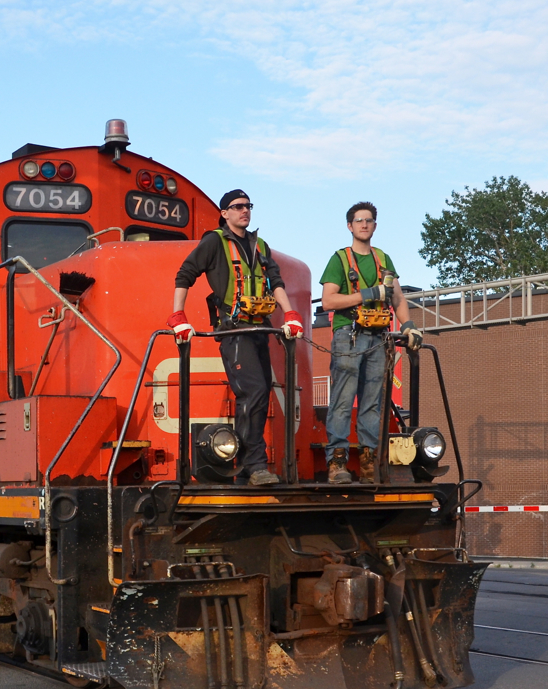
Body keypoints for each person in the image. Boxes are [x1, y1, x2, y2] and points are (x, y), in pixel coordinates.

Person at [169, 189, 305, 486]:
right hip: (234, 332)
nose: (245, 211)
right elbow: (185, 275)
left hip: (259, 331)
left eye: (248, 206)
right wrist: (178, 317)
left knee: (261, 392)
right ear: (224, 213)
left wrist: (291, 313)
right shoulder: (214, 242)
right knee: (253, 392)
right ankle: (251, 465)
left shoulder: (260, 246)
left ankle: (250, 464)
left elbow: (276, 282)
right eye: (238, 206)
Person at [319, 202, 423, 483]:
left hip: (378, 338)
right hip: (348, 335)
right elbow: (329, 300)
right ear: (350, 226)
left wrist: (409, 325)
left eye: (369, 220)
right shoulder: (339, 260)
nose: (364, 224)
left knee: (372, 403)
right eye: (359, 220)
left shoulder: (383, 260)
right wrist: (367, 294)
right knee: (342, 401)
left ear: (375, 226)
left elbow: (398, 298)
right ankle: (337, 463)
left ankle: (368, 465)